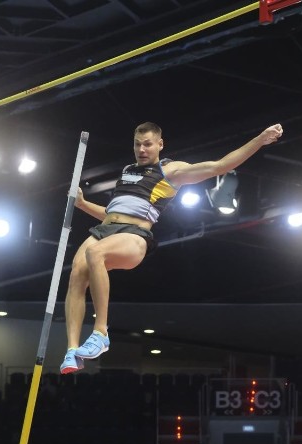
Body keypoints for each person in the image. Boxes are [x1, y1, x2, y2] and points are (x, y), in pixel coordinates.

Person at [60, 121, 284, 373]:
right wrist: (82, 204)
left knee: (94, 253)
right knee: (76, 274)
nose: (141, 149)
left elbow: (221, 165)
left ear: (160, 144)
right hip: (106, 229)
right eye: (137, 144)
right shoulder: (127, 170)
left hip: (134, 236)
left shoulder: (171, 170)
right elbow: (113, 213)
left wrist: (260, 139)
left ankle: (101, 333)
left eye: (147, 144)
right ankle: (72, 351)